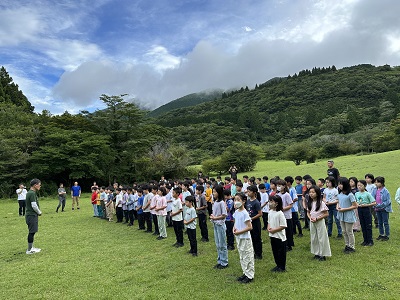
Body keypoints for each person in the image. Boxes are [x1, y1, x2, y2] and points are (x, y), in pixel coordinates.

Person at [233, 193, 254, 284]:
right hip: (239, 237)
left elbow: (250, 227)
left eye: (238, 200)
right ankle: (245, 273)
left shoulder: (245, 213)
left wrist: (239, 232)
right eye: (235, 200)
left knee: (247, 256)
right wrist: (234, 229)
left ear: (243, 201)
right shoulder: (236, 212)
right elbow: (235, 222)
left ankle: (250, 275)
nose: (236, 202)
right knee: (242, 256)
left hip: (245, 238)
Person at [307, 186, 331, 261]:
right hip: (312, 222)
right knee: (314, 237)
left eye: (313, 192)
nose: (311, 194)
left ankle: (323, 254)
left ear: (317, 193)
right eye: (310, 192)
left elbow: (326, 214)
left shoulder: (321, 203)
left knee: (321, 237)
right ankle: (316, 252)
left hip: (319, 222)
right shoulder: (310, 202)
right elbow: (308, 212)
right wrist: (310, 217)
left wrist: (317, 218)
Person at [337, 177, 358, 253]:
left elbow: (355, 206)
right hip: (341, 214)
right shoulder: (339, 193)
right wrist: (338, 207)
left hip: (348, 215)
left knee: (349, 231)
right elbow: (338, 202)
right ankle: (347, 245)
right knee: (344, 231)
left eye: (341, 184)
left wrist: (344, 209)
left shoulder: (350, 195)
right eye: (339, 184)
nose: (339, 186)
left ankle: (351, 246)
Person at [267, 195, 287, 272]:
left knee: (281, 252)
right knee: (275, 251)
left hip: (279, 237)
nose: (270, 203)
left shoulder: (280, 213)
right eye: (269, 201)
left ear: (277, 203)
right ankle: (278, 265)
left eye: (272, 202)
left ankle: (282, 267)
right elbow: (269, 222)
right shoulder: (270, 212)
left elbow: (283, 226)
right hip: (272, 235)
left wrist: (274, 230)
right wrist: (269, 228)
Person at [210, 185, 228, 269]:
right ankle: (220, 260)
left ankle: (224, 262)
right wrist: (213, 216)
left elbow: (224, 215)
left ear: (219, 193)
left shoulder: (221, 202)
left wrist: (215, 218)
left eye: (215, 192)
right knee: (218, 244)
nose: (213, 193)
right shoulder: (215, 202)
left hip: (220, 225)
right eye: (213, 192)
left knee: (222, 244)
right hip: (215, 224)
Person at [355, 180, 376, 246]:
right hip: (360, 209)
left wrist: (366, 205)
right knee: (363, 225)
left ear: (365, 186)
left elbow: (374, 202)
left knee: (368, 225)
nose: (359, 187)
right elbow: (355, 201)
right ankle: (365, 240)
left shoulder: (367, 194)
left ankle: (370, 241)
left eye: (361, 185)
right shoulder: (356, 194)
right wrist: (357, 204)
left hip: (366, 209)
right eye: (358, 185)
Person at [371, 176, 392, 241]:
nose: (376, 184)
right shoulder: (375, 190)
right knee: (380, 222)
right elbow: (372, 198)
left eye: (378, 182)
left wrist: (380, 205)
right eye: (375, 182)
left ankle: (387, 235)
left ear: (382, 183)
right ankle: (381, 234)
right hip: (377, 209)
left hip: (384, 209)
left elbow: (388, 201)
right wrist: (374, 205)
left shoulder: (385, 191)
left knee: (385, 222)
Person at [25, 179, 42, 254]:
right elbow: (34, 205)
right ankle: (29, 250)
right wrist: (39, 212)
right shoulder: (31, 193)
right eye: (39, 184)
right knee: (32, 232)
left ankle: (31, 247)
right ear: (35, 185)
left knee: (33, 231)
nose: (40, 186)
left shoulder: (31, 193)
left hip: (31, 215)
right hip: (31, 215)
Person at [246, 185, 263, 259]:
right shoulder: (248, 201)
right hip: (250, 222)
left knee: (257, 238)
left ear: (254, 192)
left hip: (255, 223)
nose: (248, 193)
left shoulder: (256, 202)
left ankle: (259, 253)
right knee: (252, 237)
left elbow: (260, 214)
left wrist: (252, 218)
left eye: (249, 191)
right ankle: (253, 252)